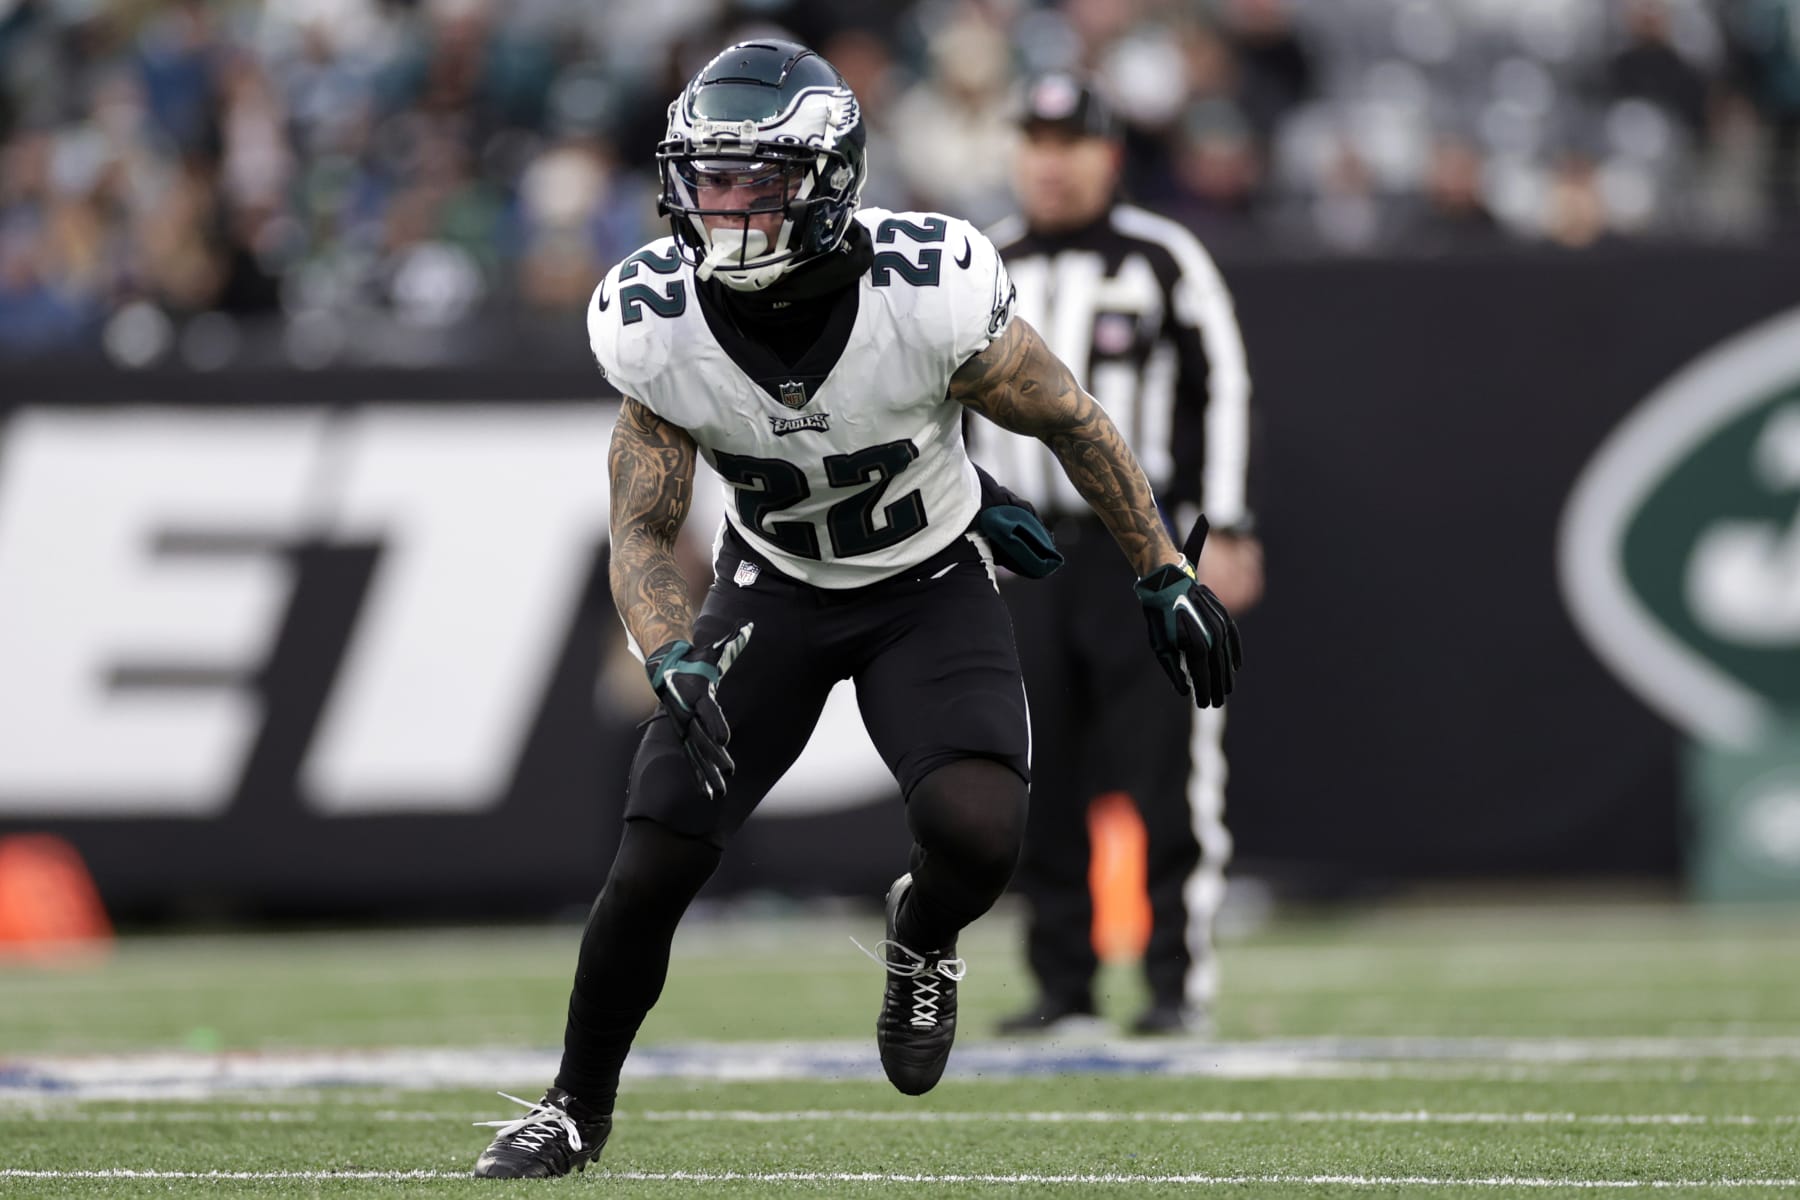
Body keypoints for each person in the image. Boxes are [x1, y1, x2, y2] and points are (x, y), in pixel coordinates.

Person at [467, 40, 1241, 1179]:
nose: (722, 208)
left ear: (828, 183)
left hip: (924, 586)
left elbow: (1072, 419)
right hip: (771, 588)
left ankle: (920, 936)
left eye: (755, 181)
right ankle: (575, 1106)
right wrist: (671, 646)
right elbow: (640, 524)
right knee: (652, 859)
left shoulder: (924, 290)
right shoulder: (654, 317)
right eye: (707, 178)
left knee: (982, 834)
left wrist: (1162, 569)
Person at [971, 73, 1263, 1039]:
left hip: (1145, 555)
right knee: (1035, 773)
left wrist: (1226, 524)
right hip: (1026, 553)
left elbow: (1221, 388)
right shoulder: (983, 265)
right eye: (1036, 141)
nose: (1050, 162)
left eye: (1070, 142)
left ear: (1108, 154)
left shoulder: (1161, 256)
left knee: (1165, 770)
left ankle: (1178, 982)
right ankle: (1063, 982)